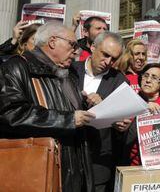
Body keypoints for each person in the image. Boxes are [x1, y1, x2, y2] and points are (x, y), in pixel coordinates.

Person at [0, 22, 96, 192]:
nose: (76, 51)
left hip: (73, 174)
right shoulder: (16, 67)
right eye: (72, 45)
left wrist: (89, 105)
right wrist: (68, 119)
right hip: (36, 174)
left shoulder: (68, 74)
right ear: (52, 42)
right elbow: (11, 113)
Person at [72, 31, 128, 192]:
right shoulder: (71, 70)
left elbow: (121, 123)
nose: (108, 62)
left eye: (114, 59)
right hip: (69, 155)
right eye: (105, 55)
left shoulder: (120, 81)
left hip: (98, 160)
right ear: (93, 47)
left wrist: (119, 122)